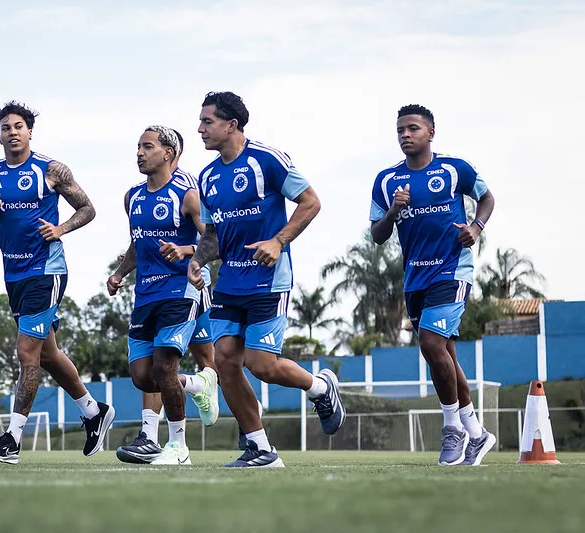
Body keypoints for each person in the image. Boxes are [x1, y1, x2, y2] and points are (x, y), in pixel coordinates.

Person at [188, 92, 346, 468]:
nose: (200, 129)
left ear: (232, 125)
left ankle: (321, 388)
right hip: (229, 283)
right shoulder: (208, 177)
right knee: (224, 362)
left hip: (269, 281)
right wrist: (196, 260)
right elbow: (212, 233)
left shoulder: (267, 160)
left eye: (207, 122)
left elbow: (311, 202)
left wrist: (278, 241)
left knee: (262, 365)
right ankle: (261, 449)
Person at [0, 101, 114, 464]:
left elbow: (88, 209)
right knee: (47, 353)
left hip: (46, 271)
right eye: (6, 127)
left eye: (19, 126)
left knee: (26, 352)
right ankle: (94, 411)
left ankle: (12, 440)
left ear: (30, 132)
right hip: (13, 275)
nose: (13, 132)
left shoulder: (51, 169)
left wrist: (61, 228)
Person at [370, 104, 497, 466]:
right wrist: (394, 211)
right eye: (400, 130)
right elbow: (378, 235)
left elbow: (487, 197)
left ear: (431, 133)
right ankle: (477, 434)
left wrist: (476, 227)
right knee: (444, 353)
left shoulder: (455, 169)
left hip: (452, 271)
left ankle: (452, 428)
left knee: (430, 343)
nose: (405, 135)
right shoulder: (386, 180)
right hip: (415, 278)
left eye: (412, 128)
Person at [107, 126, 219, 466]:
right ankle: (198, 385)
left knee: (165, 366)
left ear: (168, 153)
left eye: (147, 146)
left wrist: (188, 252)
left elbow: (214, 239)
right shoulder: (133, 197)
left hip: (181, 288)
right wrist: (119, 273)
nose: (139, 153)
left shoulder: (188, 195)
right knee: (144, 375)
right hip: (146, 294)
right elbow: (138, 244)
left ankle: (178, 446)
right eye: (138, 147)